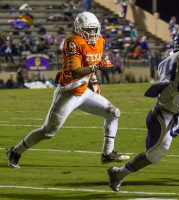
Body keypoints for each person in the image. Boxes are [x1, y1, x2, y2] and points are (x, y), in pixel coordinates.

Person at [7, 11, 130, 169]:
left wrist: (94, 81)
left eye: (94, 29)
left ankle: (108, 154)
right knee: (48, 132)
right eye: (88, 29)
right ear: (79, 28)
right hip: (67, 93)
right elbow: (75, 72)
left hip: (84, 92)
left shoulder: (100, 42)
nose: (92, 32)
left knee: (113, 112)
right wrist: (98, 67)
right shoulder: (73, 41)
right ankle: (15, 151)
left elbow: (90, 63)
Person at [107, 30, 179, 192]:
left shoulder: (168, 60)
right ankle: (118, 173)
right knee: (153, 156)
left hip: (176, 110)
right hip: (165, 115)